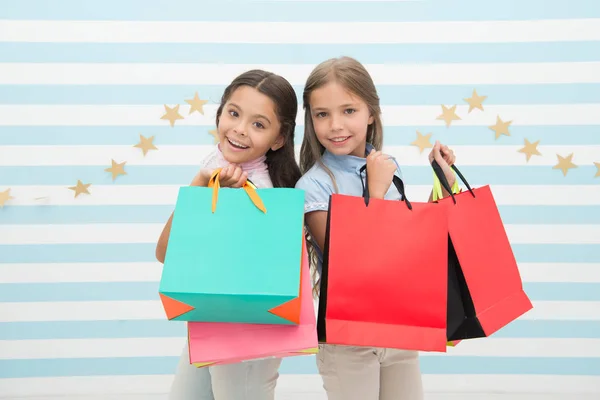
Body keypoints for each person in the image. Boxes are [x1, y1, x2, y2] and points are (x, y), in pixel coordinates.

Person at [295, 56, 458, 400]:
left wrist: (441, 181)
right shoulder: (314, 185)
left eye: (349, 111)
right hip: (346, 337)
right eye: (322, 114)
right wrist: (377, 191)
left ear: (371, 113)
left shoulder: (383, 166)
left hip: (398, 324)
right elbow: (348, 261)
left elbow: (409, 242)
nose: (335, 125)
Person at [155, 69, 302, 400]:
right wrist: (199, 187)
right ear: (220, 112)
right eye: (234, 113)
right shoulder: (217, 167)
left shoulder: (261, 193)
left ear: (279, 138)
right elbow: (165, 253)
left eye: (258, 124)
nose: (239, 129)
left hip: (246, 334)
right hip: (210, 323)